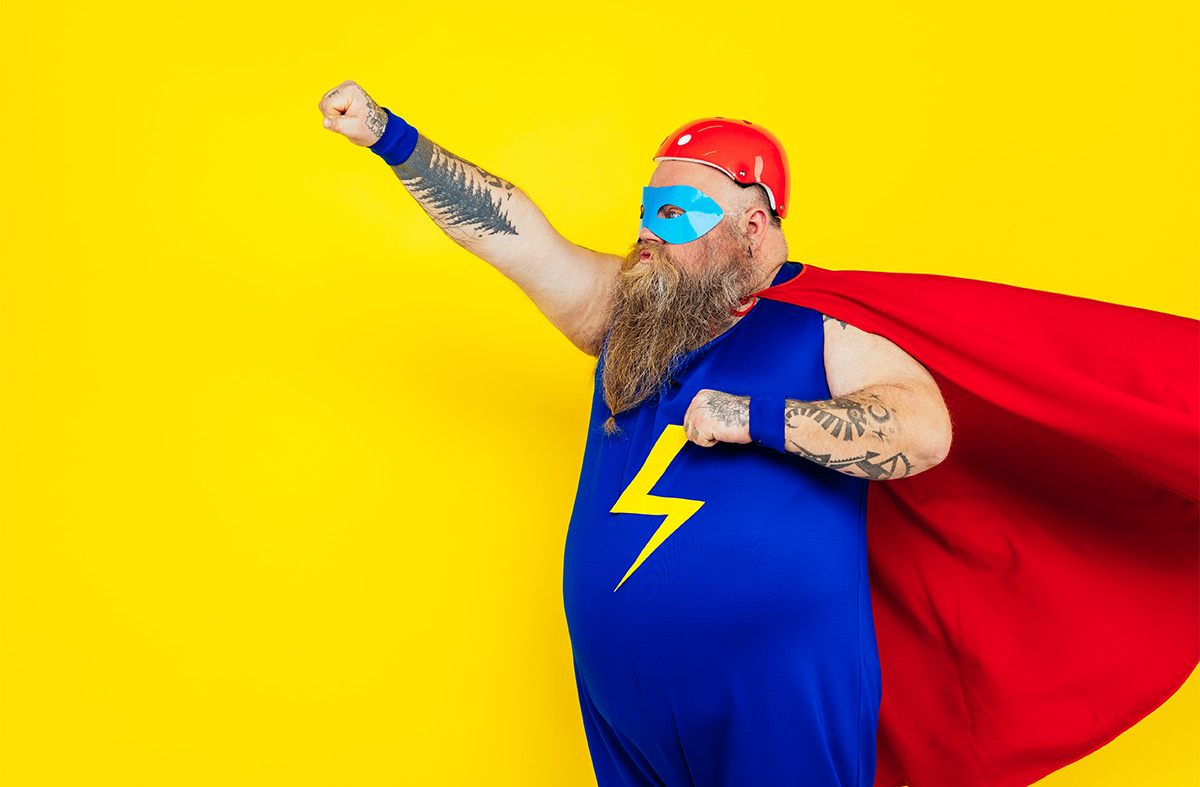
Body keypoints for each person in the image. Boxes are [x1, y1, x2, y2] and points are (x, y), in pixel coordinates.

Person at [318, 81, 1199, 787]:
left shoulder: (827, 327)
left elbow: (919, 430)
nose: (648, 239)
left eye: (677, 219)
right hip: (627, 709)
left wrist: (759, 419)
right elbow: (516, 234)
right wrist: (394, 140)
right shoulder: (630, 314)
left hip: (776, 706)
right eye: (645, 214)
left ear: (754, 224)